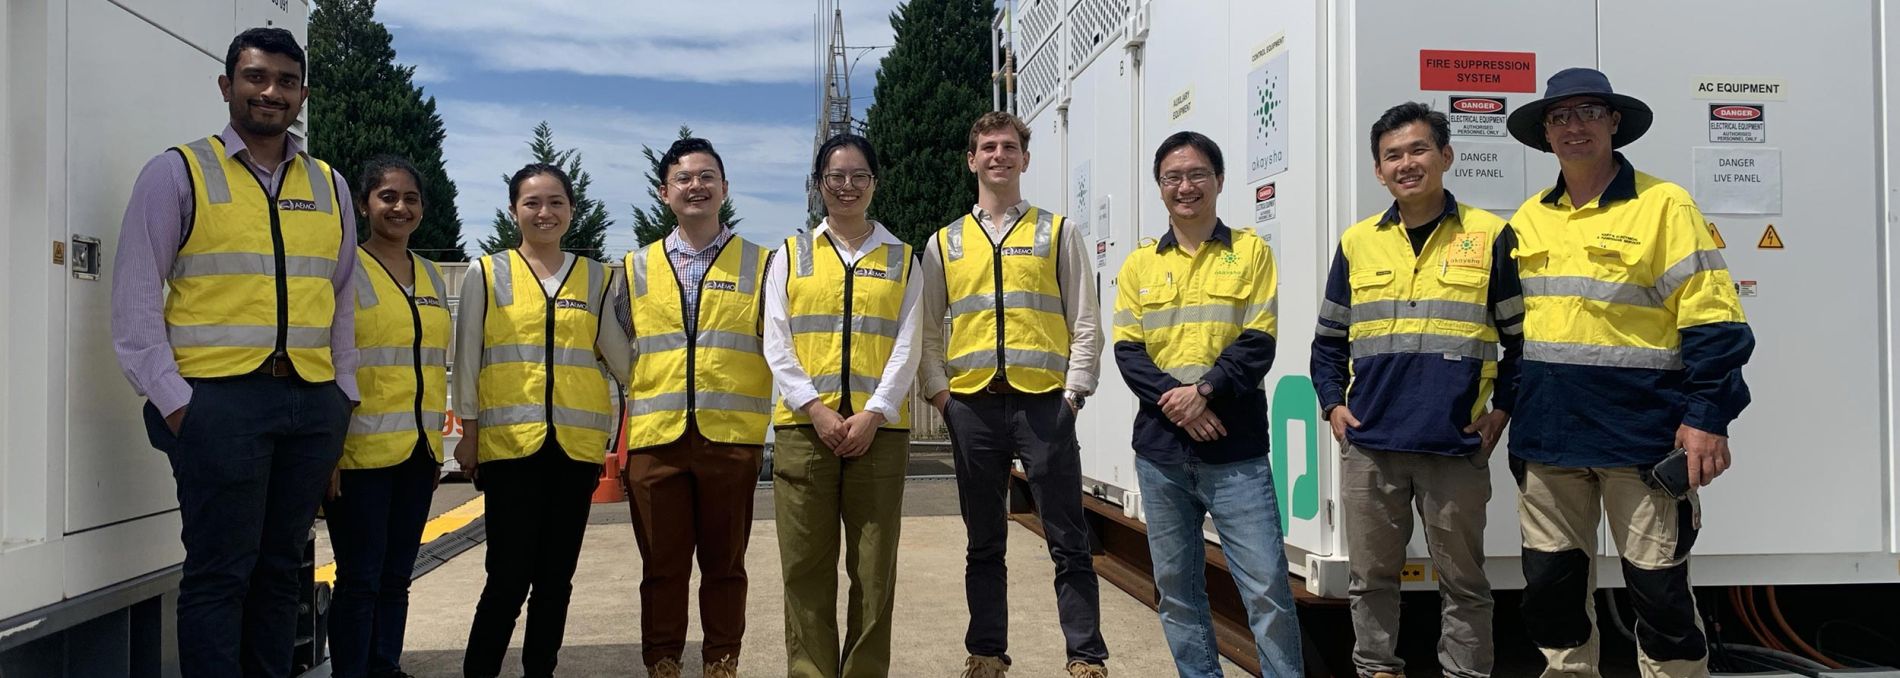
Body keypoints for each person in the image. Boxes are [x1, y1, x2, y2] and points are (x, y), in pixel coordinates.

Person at [111, 26, 359, 678]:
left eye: (284, 81)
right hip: (217, 405)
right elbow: (135, 306)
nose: (270, 92)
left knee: (282, 571)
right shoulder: (178, 172)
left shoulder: (331, 186)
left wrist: (344, 398)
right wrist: (178, 406)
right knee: (220, 575)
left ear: (302, 93)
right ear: (228, 86)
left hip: (310, 405)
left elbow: (340, 304)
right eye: (255, 78)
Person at [1501, 67, 1754, 677]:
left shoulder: (1664, 205)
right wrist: (1503, 410)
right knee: (1551, 594)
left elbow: (1716, 324)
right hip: (1548, 440)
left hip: (1641, 439)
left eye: (1589, 112)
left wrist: (1707, 418)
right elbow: (1514, 337)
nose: (1574, 126)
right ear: (1546, 134)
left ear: (1614, 122)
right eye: (1559, 117)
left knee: (1660, 594)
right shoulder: (1528, 218)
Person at [1310, 103, 1519, 678]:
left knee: (1465, 583)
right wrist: (1333, 404)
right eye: (1392, 155)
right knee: (1372, 580)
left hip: (1455, 446)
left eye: (1419, 150)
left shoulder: (1491, 234)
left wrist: (1502, 410)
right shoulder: (1357, 243)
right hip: (1372, 445)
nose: (1407, 164)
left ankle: (1466, 672)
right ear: (1379, 171)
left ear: (1446, 156)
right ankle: (1377, 668)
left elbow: (1520, 340)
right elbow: (1327, 341)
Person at [917, 111, 1108, 678]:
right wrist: (940, 396)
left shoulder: (1057, 231)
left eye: (1009, 147)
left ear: (1025, 159)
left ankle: (1085, 656)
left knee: (1068, 537)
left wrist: (1074, 395)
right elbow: (928, 331)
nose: (998, 155)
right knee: (984, 541)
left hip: (1044, 404)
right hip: (972, 407)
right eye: (987, 147)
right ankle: (987, 653)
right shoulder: (944, 242)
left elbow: (1086, 322)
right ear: (971, 160)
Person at [1112, 131, 1304, 677]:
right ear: (1160, 187)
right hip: (1161, 456)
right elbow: (1129, 352)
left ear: (1218, 181)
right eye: (1173, 177)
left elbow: (1258, 340)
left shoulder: (1250, 252)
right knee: (1176, 593)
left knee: (1266, 589)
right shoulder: (1138, 266)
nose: (1185, 186)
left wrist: (1202, 394)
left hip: (1236, 452)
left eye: (1197, 174)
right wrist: (1181, 406)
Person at [453, 163, 628, 678]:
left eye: (556, 202)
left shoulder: (597, 278)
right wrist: (469, 432)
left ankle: (540, 671)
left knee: (556, 580)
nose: (544, 212)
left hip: (574, 451)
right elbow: (468, 357)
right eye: (532, 203)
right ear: (514, 212)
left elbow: (622, 361)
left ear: (572, 210)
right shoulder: (486, 273)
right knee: (506, 578)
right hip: (510, 448)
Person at [764, 133, 922, 677]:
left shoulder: (903, 259)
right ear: (818, 184)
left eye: (859, 176)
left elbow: (909, 342)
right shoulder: (789, 255)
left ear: (875, 184)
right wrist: (815, 408)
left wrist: (876, 411)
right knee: (805, 568)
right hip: (805, 434)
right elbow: (776, 341)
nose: (847, 187)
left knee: (875, 572)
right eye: (836, 177)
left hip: (878, 437)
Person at [619, 137, 773, 678]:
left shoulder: (763, 264)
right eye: (683, 178)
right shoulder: (634, 268)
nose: (696, 186)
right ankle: (662, 662)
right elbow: (616, 352)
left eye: (708, 176)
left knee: (725, 565)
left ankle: (721, 662)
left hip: (730, 439)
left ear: (725, 189)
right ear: (664, 192)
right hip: (655, 440)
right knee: (661, 566)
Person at [324, 156, 452, 678]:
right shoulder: (345, 271)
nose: (401, 207)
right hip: (360, 455)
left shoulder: (429, 274)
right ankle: (352, 670)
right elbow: (327, 361)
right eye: (388, 197)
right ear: (363, 204)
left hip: (419, 452)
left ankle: (385, 665)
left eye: (411, 198)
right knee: (360, 576)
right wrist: (326, 452)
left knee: (398, 574)